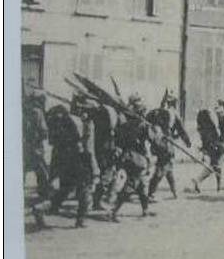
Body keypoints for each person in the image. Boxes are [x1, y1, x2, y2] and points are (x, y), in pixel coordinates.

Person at [32, 98, 98, 229]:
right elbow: (88, 148)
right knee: (85, 191)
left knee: (65, 191)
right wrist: (94, 168)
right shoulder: (85, 124)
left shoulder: (67, 120)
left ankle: (40, 208)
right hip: (81, 162)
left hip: (66, 161)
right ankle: (81, 220)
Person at [107, 95, 155, 222]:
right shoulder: (142, 125)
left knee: (142, 186)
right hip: (137, 159)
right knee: (131, 186)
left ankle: (145, 210)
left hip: (128, 157)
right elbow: (153, 139)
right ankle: (113, 212)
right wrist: (156, 132)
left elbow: (118, 139)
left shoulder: (125, 123)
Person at [192, 99, 224, 193]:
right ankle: (198, 181)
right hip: (218, 143)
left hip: (211, 143)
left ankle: (219, 185)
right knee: (215, 166)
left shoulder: (213, 113)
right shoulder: (221, 114)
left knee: (217, 164)